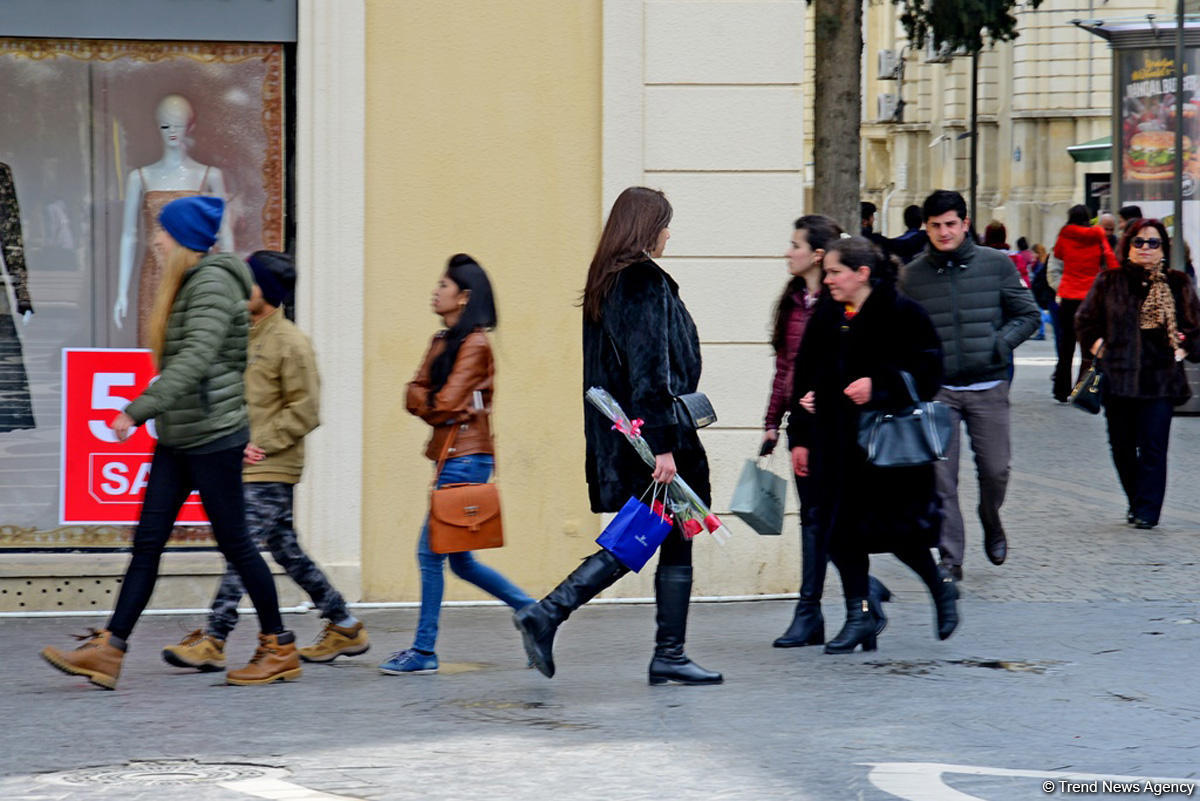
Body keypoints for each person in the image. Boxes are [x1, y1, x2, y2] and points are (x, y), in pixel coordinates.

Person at [41, 196, 298, 689]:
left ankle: (279, 646)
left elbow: (195, 359)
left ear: (184, 240)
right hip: (180, 436)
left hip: (213, 438)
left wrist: (135, 411)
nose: (155, 240)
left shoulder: (213, 284)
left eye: (163, 232)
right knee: (148, 542)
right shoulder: (190, 282)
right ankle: (110, 650)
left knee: (238, 545)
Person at [514, 186, 722, 686]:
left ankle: (661, 650)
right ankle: (552, 614)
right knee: (649, 538)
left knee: (666, 535)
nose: (669, 233)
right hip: (659, 440)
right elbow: (650, 372)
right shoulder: (643, 282)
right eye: (666, 224)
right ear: (648, 227)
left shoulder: (607, 281)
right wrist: (667, 447)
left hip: (632, 437)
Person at [160, 251, 369, 673]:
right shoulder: (242, 333)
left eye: (247, 282)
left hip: (270, 464)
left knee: (240, 549)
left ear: (266, 292)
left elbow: (306, 409)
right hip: (238, 460)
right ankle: (345, 625)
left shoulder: (291, 343)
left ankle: (215, 638)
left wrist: (260, 441)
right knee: (287, 551)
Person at [788, 237, 959, 653]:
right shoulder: (827, 315)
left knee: (903, 536)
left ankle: (941, 589)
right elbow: (804, 374)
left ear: (861, 273)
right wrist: (801, 431)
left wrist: (881, 386)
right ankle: (859, 616)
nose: (826, 279)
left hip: (888, 451)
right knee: (839, 536)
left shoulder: (903, 313)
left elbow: (930, 371)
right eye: (826, 272)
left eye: (834, 272)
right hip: (835, 445)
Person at [378, 254, 534, 675]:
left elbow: (441, 401)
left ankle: (424, 651)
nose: (435, 290)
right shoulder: (442, 341)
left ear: (463, 297)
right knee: (460, 560)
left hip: (465, 460)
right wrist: (437, 405)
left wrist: (436, 404)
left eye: (443, 285)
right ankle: (534, 612)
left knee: (430, 555)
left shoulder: (477, 344)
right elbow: (418, 393)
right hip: (453, 456)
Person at [899, 190, 1040, 581]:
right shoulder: (911, 275)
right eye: (935, 226)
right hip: (938, 390)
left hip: (988, 383)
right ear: (925, 228)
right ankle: (951, 559)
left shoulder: (996, 265)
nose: (944, 232)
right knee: (942, 478)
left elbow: (1026, 315)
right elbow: (902, 332)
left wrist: (999, 343)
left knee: (996, 470)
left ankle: (991, 518)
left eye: (950, 224)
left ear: (965, 224)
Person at [764, 215, 891, 648]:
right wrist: (774, 425)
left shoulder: (846, 304)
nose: (788, 251)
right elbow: (786, 370)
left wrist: (831, 396)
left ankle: (850, 603)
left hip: (841, 431)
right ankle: (821, 609)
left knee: (832, 521)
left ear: (817, 254)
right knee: (815, 521)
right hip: (805, 428)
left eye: (795, 244)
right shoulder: (794, 301)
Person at [1076, 219, 1200, 529]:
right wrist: (1099, 344)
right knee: (1121, 445)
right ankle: (1135, 499)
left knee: (1154, 446)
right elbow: (1085, 320)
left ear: (1164, 249)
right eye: (1139, 242)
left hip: (1160, 381)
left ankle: (1148, 511)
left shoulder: (1178, 283)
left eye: (1153, 242)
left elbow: (1196, 328)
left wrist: (1184, 347)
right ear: (1127, 246)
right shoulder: (1109, 281)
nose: (1145, 248)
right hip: (1118, 379)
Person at [113, 94, 233, 345]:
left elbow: (225, 234)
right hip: (154, 272)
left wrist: (229, 283)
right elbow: (129, 236)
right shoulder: (140, 177)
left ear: (191, 126)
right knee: (153, 341)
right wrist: (121, 291)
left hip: (194, 272)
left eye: (178, 125)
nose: (172, 132)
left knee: (194, 343)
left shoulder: (210, 176)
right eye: (165, 125)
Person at [1047, 204, 1119, 403]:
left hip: (1069, 295)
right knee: (1089, 347)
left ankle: (1061, 390)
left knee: (1066, 346)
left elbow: (1059, 254)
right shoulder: (1097, 234)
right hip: (1091, 296)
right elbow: (1110, 259)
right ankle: (1084, 388)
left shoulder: (1065, 234)